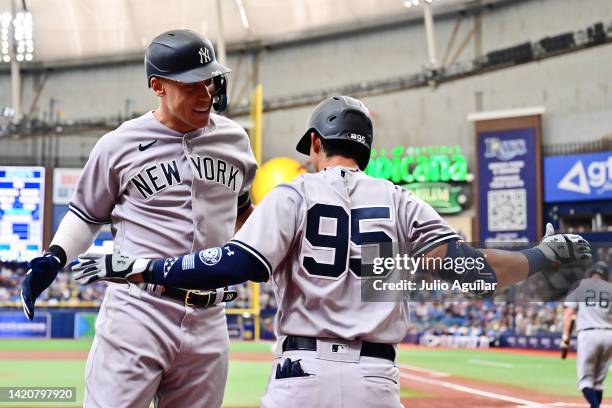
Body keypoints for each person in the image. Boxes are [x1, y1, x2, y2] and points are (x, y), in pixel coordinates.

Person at [73, 95, 591, 408]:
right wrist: (542, 254)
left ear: (317, 142)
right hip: (376, 380)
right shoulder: (398, 200)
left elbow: (235, 264)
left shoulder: (294, 193)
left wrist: (140, 267)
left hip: (302, 376)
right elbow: (471, 271)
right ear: (366, 148)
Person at [20, 29, 257, 408]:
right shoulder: (119, 144)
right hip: (139, 311)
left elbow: (245, 214)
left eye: (210, 80)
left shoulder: (235, 141)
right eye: (191, 84)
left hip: (210, 318)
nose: (206, 93)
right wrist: (54, 256)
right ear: (157, 86)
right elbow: (85, 216)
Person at [561, 261, 612, 408]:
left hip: (588, 334)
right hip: (609, 335)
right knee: (598, 383)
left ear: (591, 273)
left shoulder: (580, 285)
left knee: (585, 381)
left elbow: (569, 313)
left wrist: (565, 338)